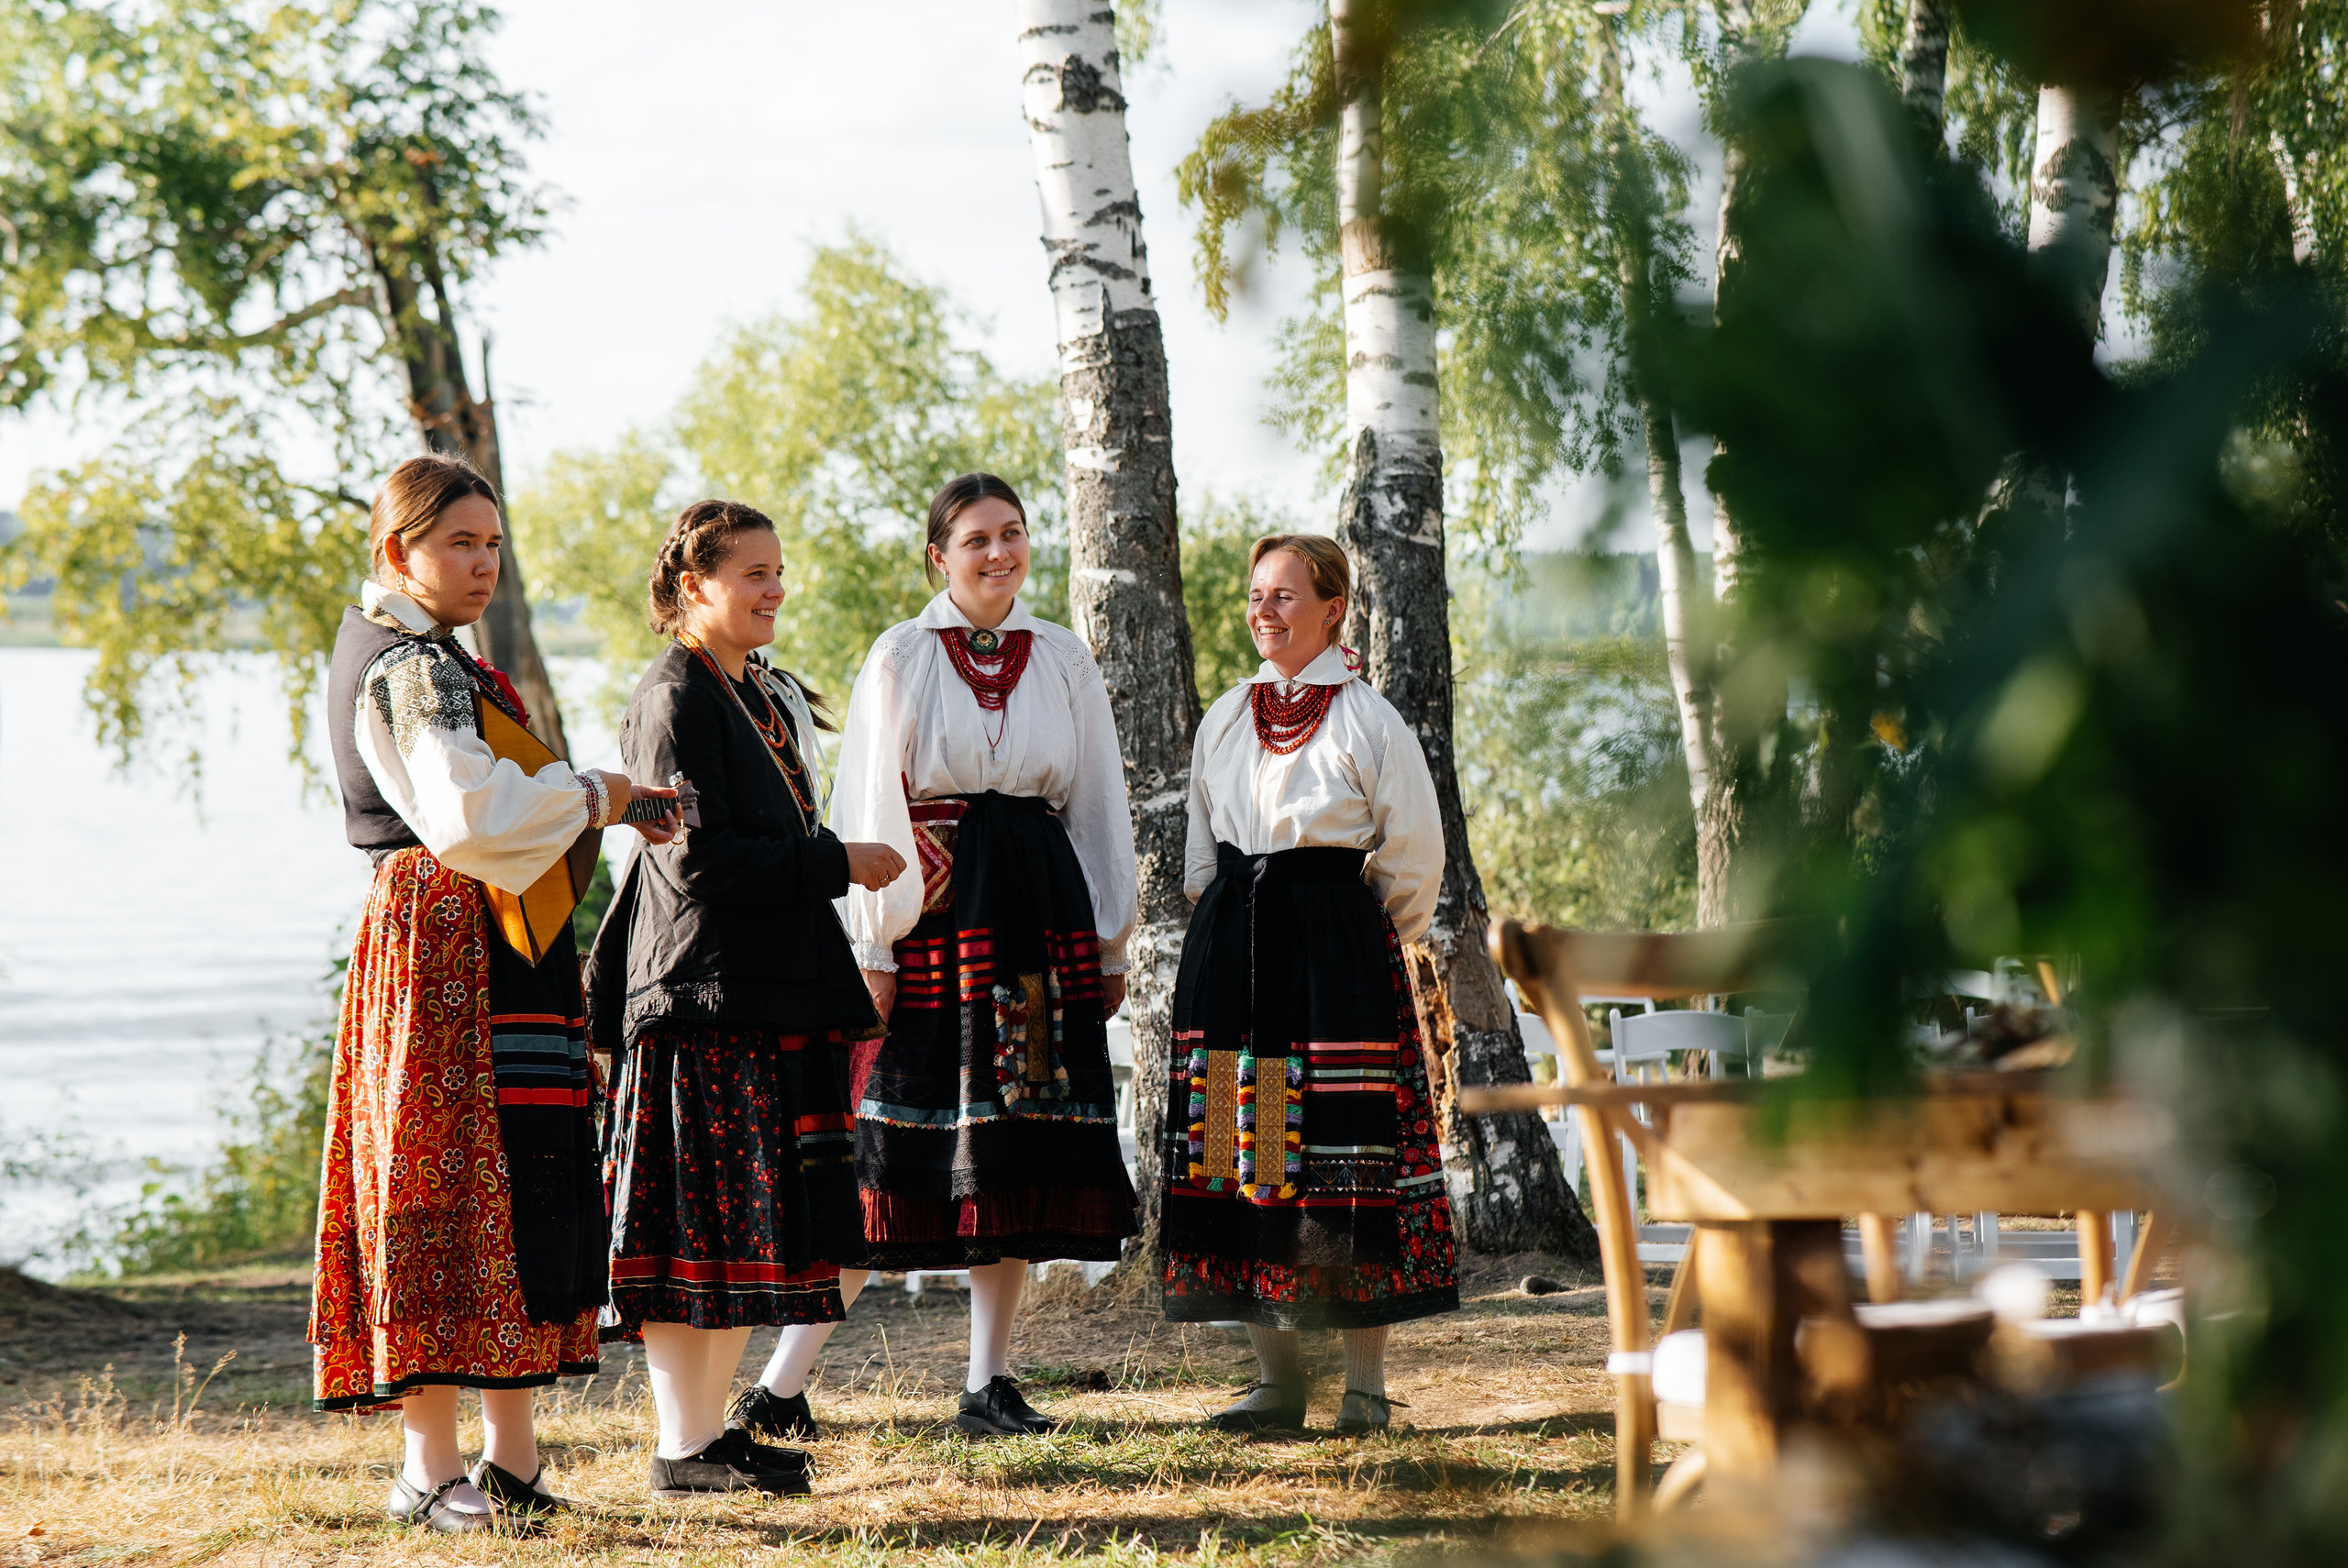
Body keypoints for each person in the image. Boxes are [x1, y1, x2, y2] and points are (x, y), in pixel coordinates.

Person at [314, 453, 678, 1531]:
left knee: (526, 1183)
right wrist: (594, 792)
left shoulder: (441, 659)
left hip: (497, 936)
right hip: (437, 942)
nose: (482, 564)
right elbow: (468, 818)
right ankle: (429, 1469)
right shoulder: (406, 667)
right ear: (398, 552)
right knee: (437, 1194)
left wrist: (587, 803)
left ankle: (512, 1461)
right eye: (459, 544)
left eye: (493, 546)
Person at [738, 472, 1139, 1441]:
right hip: (937, 920)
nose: (997, 554)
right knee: (889, 1148)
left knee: (1016, 1147)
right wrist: (873, 941)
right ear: (939, 557)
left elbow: (1097, 804)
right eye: (975, 540)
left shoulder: (1062, 658)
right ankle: (780, 1388)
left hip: (1038, 920)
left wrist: (1108, 936)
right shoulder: (903, 655)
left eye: (1012, 535)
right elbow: (872, 797)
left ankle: (988, 1384)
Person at [585, 500, 905, 1499]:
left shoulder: (749, 690)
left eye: (778, 569)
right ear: (694, 588)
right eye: (753, 572)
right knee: (695, 1235)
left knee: (734, 1234)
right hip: (698, 996)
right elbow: (697, 858)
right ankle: (682, 1449)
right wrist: (837, 862)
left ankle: (701, 1441)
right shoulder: (673, 693)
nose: (775, 587)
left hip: (757, 992)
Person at [1159, 533, 1459, 1436]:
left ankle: (1364, 1389)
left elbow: (1413, 856)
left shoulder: (1370, 720)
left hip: (1335, 957)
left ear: (1332, 607)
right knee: (1235, 1147)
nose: (1264, 611)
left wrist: (1357, 944)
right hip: (1234, 949)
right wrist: (1229, 931)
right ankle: (1275, 1382)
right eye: (1257, 595)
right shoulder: (1224, 715)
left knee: (1342, 1163)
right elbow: (1200, 854)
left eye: (1285, 596)